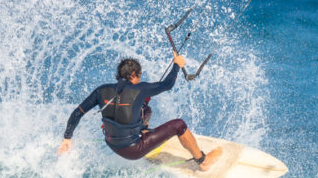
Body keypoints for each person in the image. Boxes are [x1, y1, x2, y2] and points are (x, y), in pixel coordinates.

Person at [57, 54, 222, 170]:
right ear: (134, 75)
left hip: (111, 143)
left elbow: (77, 113)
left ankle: (142, 133)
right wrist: (177, 65)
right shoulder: (140, 89)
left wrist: (67, 138)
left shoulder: (101, 90)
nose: (140, 79)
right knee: (179, 124)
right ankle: (203, 160)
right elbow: (167, 84)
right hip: (133, 150)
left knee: (146, 109)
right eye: (139, 76)